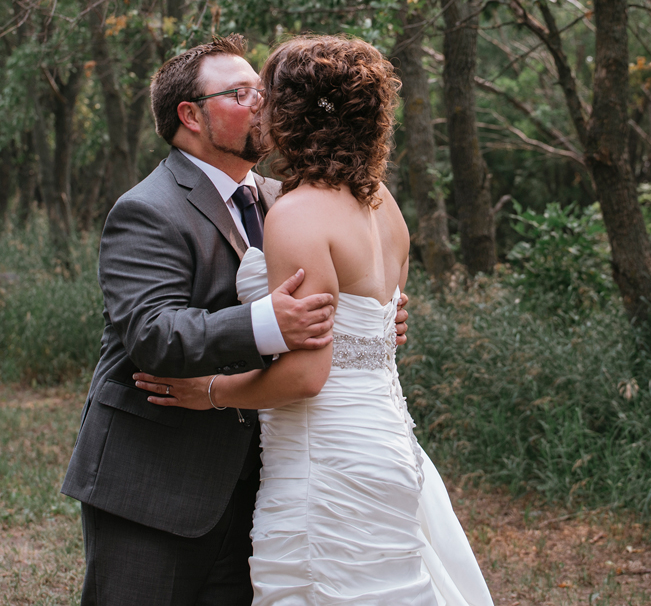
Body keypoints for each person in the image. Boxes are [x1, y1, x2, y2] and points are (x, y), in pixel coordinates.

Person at [135, 35, 493, 606]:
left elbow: (307, 376)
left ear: (293, 112)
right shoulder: (381, 204)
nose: (257, 107)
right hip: (388, 443)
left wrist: (209, 392)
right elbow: (379, 321)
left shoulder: (297, 213)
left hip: (323, 458)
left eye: (265, 95)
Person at [61, 34, 407, 606]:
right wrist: (269, 322)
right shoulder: (148, 208)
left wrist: (370, 323)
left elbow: (343, 305)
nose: (261, 104)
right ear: (190, 115)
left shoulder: (288, 198)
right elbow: (153, 333)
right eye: (242, 92)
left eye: (262, 90)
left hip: (263, 483)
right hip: (159, 480)